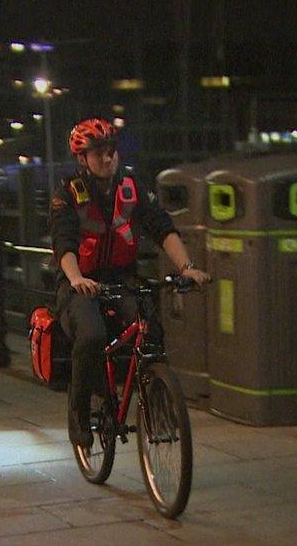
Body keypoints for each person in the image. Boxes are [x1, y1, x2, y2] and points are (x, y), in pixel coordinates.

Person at [49, 117, 210, 448]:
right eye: (98, 154)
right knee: (91, 334)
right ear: (82, 159)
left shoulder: (132, 187)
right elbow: (63, 243)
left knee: (151, 328)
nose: (108, 159)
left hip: (122, 278)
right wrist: (77, 277)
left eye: (111, 152)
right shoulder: (69, 193)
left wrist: (187, 267)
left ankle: (159, 409)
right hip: (79, 282)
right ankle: (79, 410)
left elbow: (162, 228)